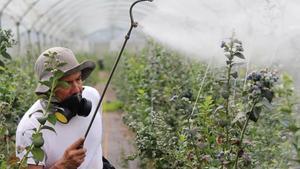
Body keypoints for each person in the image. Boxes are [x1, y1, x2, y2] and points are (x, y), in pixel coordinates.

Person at [16, 47, 103, 169]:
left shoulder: (93, 96)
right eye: (67, 83)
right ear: (49, 88)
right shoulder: (30, 129)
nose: (77, 89)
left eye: (78, 79)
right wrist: (62, 166)